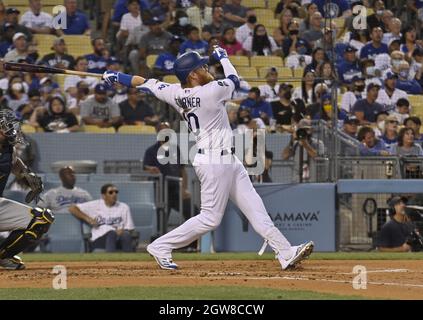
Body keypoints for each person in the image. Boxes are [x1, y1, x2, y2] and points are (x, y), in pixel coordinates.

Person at [103, 47, 314, 270]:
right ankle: (160, 246)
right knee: (210, 219)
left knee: (255, 208)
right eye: (202, 67)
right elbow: (233, 78)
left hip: (228, 161)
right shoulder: (210, 92)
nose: (207, 69)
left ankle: (285, 252)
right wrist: (223, 57)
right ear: (192, 75)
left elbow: (145, 82)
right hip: (213, 162)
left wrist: (117, 77)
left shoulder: (174, 92)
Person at [0, 109, 52, 269]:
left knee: (42, 218)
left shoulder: (9, 150)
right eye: (7, 125)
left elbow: (17, 166)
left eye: (12, 125)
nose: (12, 129)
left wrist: (31, 179)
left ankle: (4, 256)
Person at [143, 122, 193, 222]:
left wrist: (184, 189)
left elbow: (182, 170)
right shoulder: (151, 151)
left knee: (193, 212)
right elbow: (145, 167)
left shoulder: (176, 149)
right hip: (160, 190)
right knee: (161, 220)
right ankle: (159, 236)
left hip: (175, 190)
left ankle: (192, 237)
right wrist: (151, 169)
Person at [68, 184, 135, 252]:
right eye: (111, 192)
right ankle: (110, 261)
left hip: (118, 238)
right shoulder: (95, 205)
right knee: (111, 233)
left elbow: (129, 228)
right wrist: (88, 219)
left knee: (126, 235)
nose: (114, 194)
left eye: (116, 192)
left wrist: (123, 231)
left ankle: (130, 261)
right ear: (103, 196)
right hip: (99, 239)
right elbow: (72, 208)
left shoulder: (124, 207)